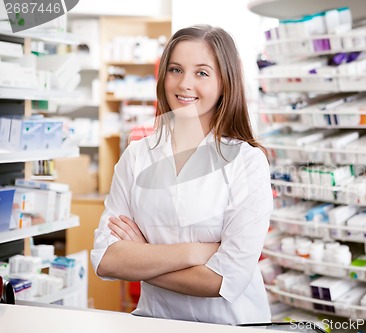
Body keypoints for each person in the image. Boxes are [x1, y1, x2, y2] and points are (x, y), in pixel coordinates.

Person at [90, 24, 273, 325]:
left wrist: (143, 257)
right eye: (175, 69)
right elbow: (107, 260)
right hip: (153, 321)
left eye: (202, 73)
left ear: (225, 82)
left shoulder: (247, 162)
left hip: (231, 325)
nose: (185, 83)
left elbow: (226, 280)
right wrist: (195, 253)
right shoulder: (137, 156)